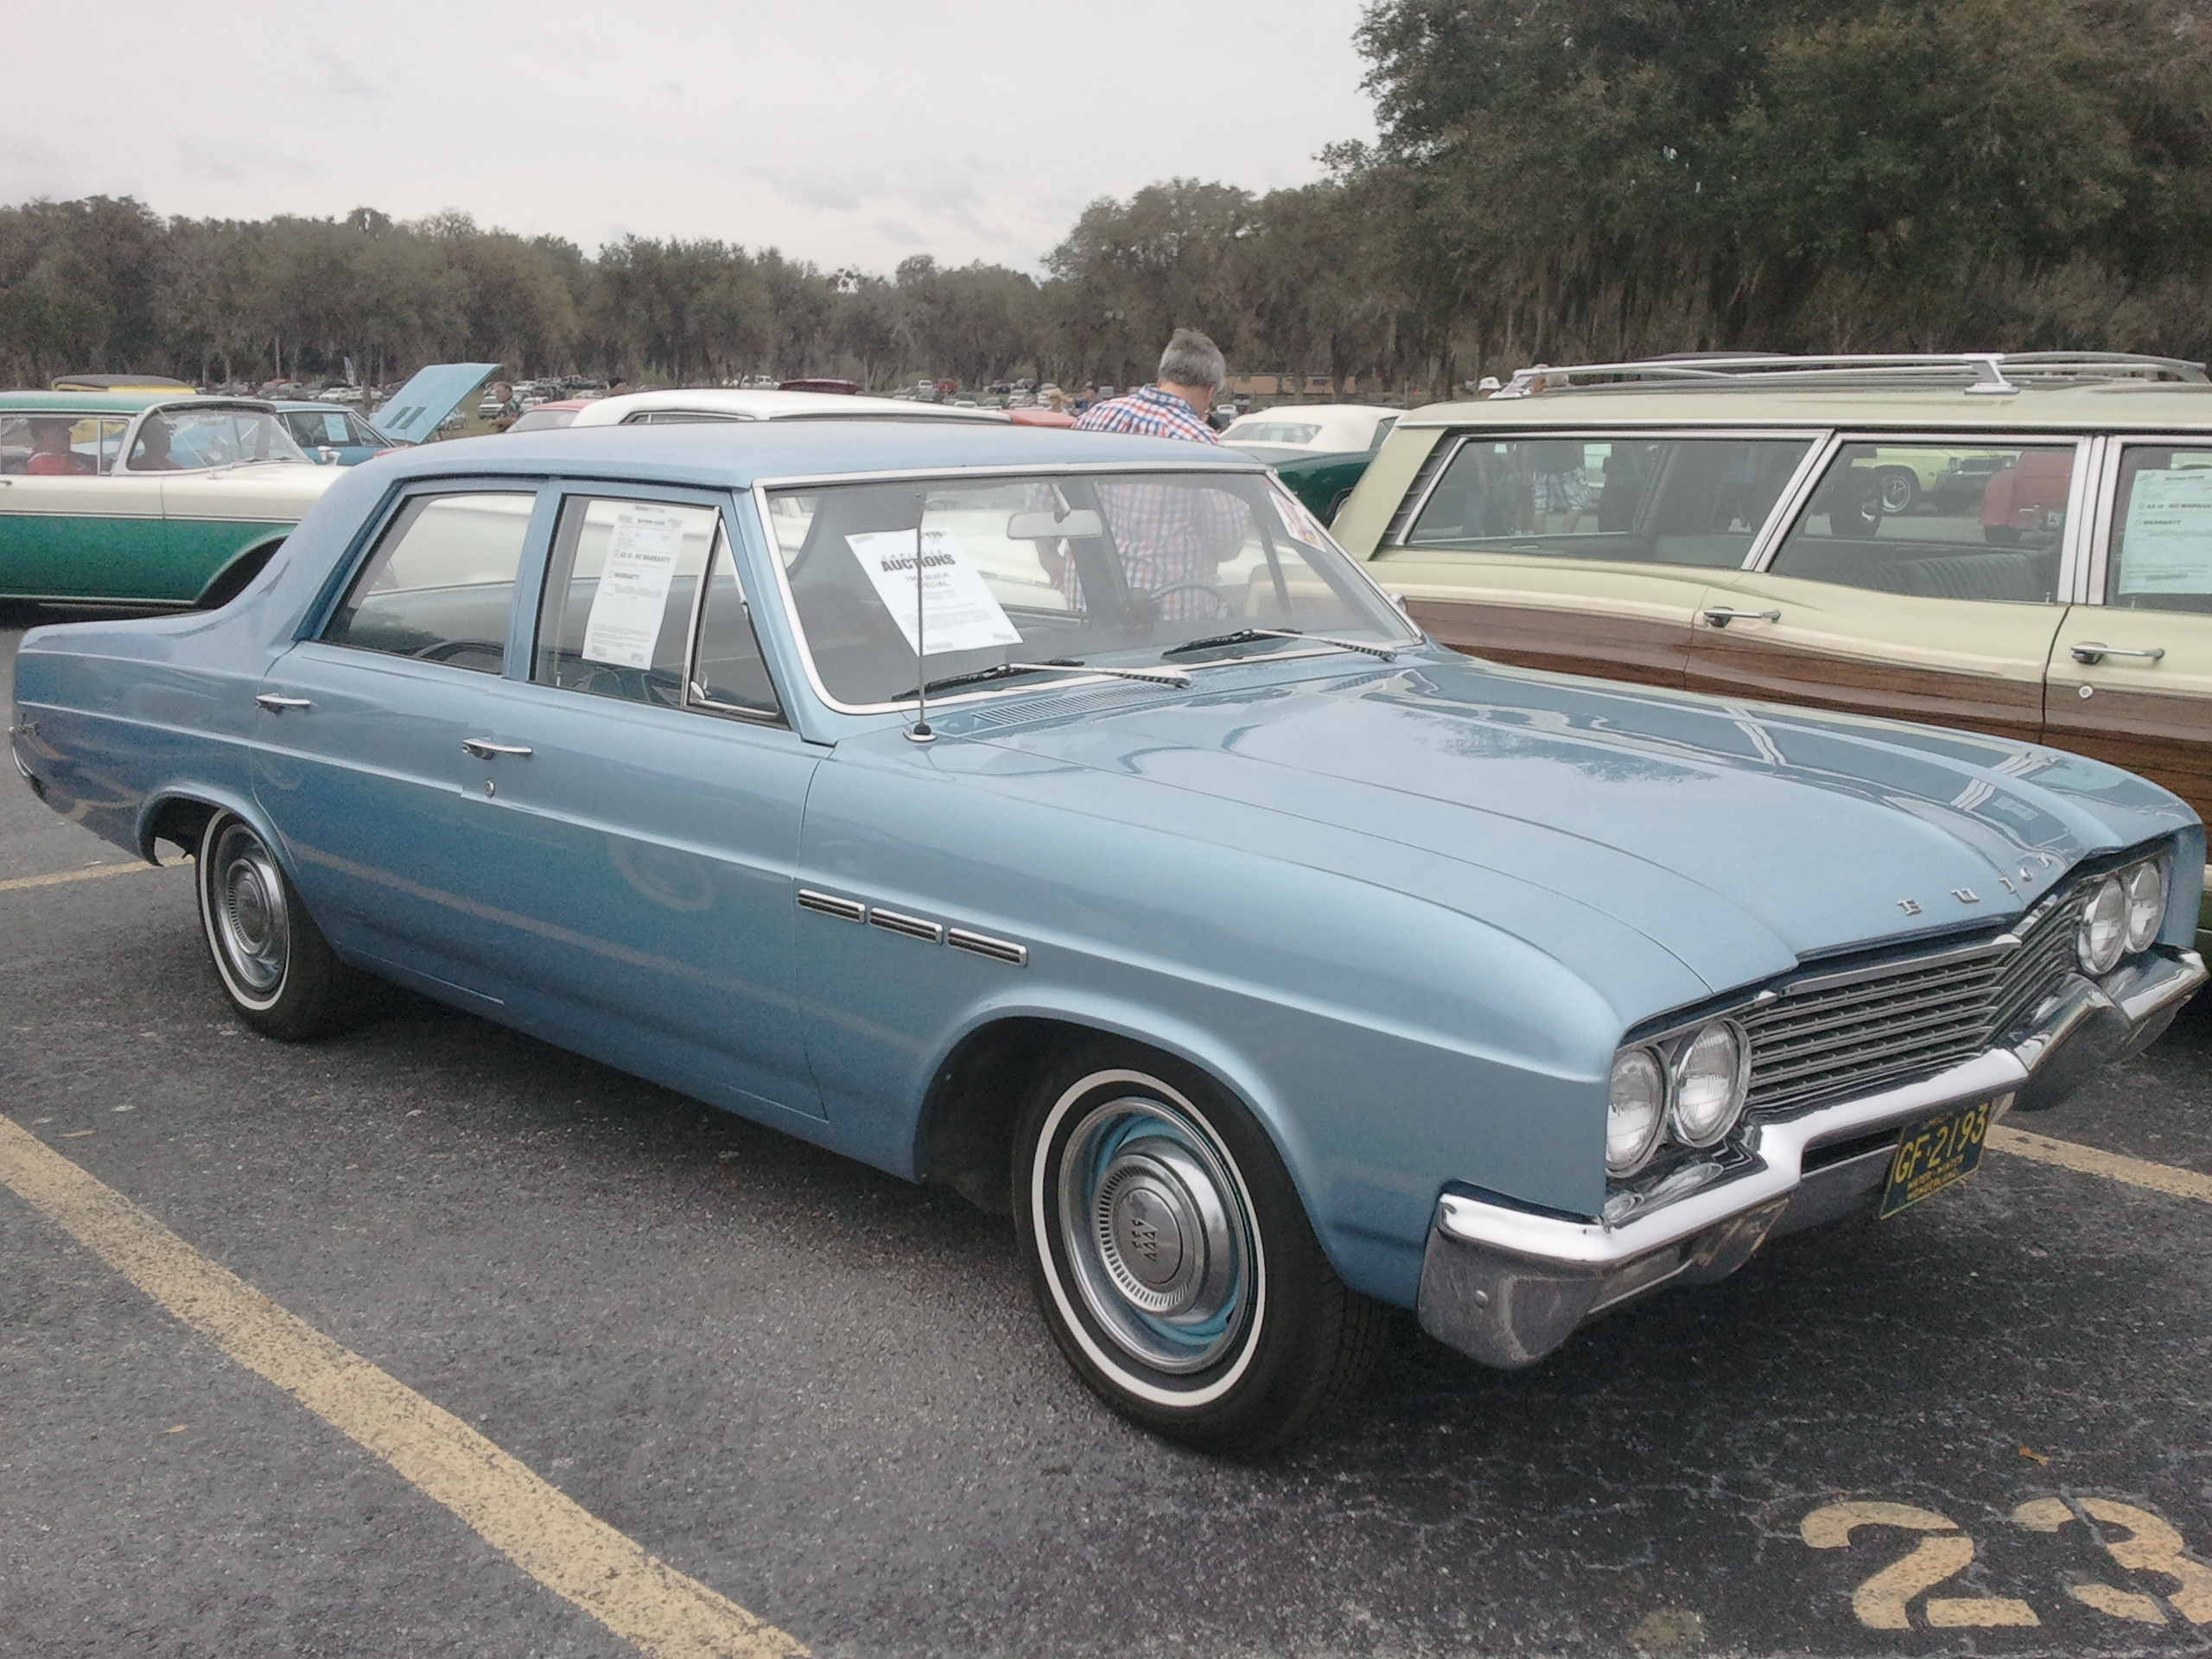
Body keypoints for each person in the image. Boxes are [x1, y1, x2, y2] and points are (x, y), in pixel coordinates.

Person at [1067, 330, 1247, 620]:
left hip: (1087, 605)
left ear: (1162, 375)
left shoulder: (1094, 418)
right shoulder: (1201, 444)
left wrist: (1047, 553)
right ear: (1210, 390)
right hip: (1169, 619)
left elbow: (1048, 496)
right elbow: (1228, 542)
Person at [26, 419, 94, 475]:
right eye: (63, 429)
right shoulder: (44, 467)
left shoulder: (63, 456)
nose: (69, 433)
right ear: (46, 433)